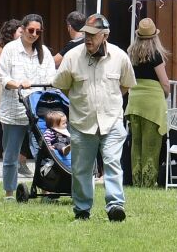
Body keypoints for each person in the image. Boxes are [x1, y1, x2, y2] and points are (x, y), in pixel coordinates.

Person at [52, 13, 134, 222]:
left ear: (105, 35)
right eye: (86, 34)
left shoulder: (120, 57)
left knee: (112, 162)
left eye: (93, 35)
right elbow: (61, 85)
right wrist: (80, 102)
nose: (88, 38)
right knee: (81, 169)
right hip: (82, 122)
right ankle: (82, 210)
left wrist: (109, 101)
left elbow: (125, 85)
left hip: (112, 120)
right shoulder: (72, 57)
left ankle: (115, 206)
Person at [0, 12, 56, 199]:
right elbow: (2, 77)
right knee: (11, 155)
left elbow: (52, 79)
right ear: (24, 28)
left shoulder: (45, 53)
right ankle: (9, 193)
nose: (34, 34)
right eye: (30, 30)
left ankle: (47, 190)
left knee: (46, 153)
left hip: (39, 111)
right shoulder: (10, 49)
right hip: (14, 110)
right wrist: (18, 84)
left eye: (38, 31)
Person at [123, 18, 171, 188]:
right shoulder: (156, 55)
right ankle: (148, 183)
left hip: (135, 101)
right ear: (154, 37)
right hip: (152, 103)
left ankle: (137, 181)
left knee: (136, 144)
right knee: (151, 145)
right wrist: (166, 93)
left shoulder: (130, 54)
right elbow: (164, 82)